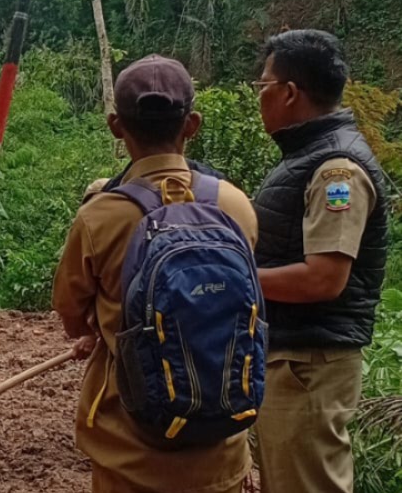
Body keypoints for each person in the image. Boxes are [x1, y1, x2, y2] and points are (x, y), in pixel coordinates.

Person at [52, 55, 258, 493]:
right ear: (192, 124)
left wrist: (103, 326)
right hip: (220, 446)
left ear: (115, 126)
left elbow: (71, 320)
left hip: (129, 450)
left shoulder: (99, 217)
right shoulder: (236, 206)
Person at [253, 30, 388, 493]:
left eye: (262, 86)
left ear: (290, 93)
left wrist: (238, 278)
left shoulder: (337, 170)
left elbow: (324, 278)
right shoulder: (309, 156)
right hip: (295, 360)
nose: (260, 98)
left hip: (309, 366)